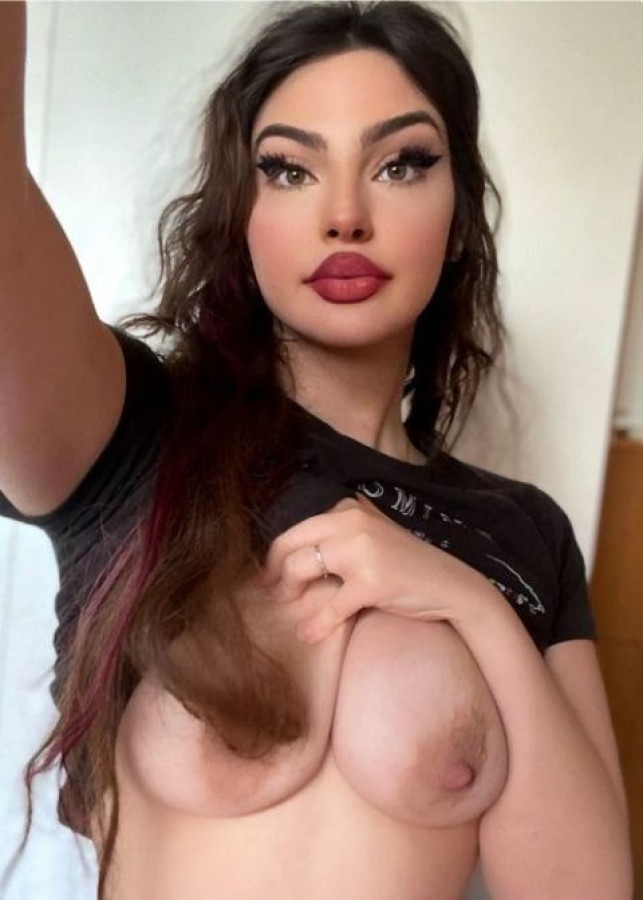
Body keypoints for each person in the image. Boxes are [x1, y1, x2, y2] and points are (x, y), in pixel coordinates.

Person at [0, 1, 633, 898]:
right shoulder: (136, 434)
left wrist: (470, 604)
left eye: (401, 163)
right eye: (289, 169)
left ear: (458, 219)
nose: (344, 214)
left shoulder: (524, 531)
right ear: (241, 216)